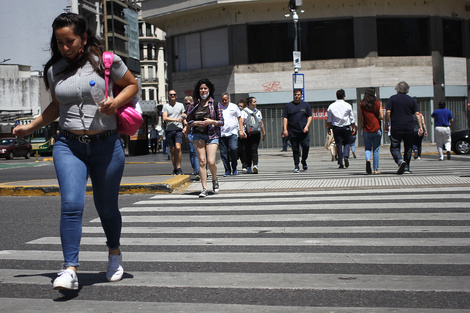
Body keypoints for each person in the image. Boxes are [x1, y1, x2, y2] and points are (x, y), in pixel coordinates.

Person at [12, 13, 139, 290]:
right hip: (69, 146)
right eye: (59, 42)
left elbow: (132, 85)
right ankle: (69, 268)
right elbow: (56, 108)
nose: (64, 47)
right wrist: (30, 126)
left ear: (83, 37)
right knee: (71, 206)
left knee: (106, 208)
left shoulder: (107, 62)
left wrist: (115, 102)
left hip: (106, 144)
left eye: (69, 41)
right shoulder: (54, 69)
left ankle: (114, 253)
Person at [186, 78, 224, 197]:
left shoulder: (216, 104)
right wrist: (196, 123)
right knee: (202, 161)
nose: (203, 91)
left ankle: (214, 179)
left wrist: (211, 121)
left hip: (212, 135)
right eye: (201, 89)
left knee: (211, 162)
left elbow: (222, 122)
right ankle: (204, 188)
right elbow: (188, 120)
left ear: (209, 90)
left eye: (205, 88)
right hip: (198, 135)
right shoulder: (194, 104)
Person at [385, 81, 423, 174]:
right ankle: (406, 167)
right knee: (408, 147)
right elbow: (417, 114)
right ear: (407, 89)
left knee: (394, 147)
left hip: (396, 127)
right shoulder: (411, 100)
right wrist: (420, 127)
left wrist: (386, 125)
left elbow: (388, 112)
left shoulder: (392, 99)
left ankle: (399, 161)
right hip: (409, 127)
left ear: (397, 89)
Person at [282, 88, 313, 173]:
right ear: (293, 95)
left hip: (303, 131)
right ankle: (296, 165)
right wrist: (285, 129)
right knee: (295, 150)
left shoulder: (305, 105)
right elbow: (285, 118)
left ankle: (304, 160)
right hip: (293, 131)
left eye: (298, 95)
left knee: (306, 147)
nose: (297, 96)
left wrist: (307, 126)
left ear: (301, 95)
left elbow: (310, 116)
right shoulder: (289, 106)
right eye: (295, 95)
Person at [326, 89, 356, 169]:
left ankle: (340, 162)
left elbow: (329, 119)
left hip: (336, 127)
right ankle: (346, 156)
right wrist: (353, 127)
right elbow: (352, 118)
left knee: (338, 144)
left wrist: (328, 128)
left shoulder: (331, 106)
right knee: (347, 143)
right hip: (346, 127)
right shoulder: (348, 105)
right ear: (343, 96)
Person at [358, 87, 383, 175]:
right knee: (376, 149)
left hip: (366, 129)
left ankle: (368, 159)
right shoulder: (378, 103)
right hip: (376, 128)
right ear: (374, 94)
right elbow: (382, 116)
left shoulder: (362, 104)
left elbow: (360, 117)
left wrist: (360, 126)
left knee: (367, 148)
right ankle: (376, 169)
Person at [220, 93, 245, 176]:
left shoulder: (234, 106)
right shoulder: (218, 107)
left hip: (232, 132)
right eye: (223, 100)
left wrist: (241, 130)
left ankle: (234, 167)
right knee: (224, 153)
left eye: (226, 100)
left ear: (229, 99)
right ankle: (227, 170)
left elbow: (239, 118)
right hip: (222, 133)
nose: (224, 101)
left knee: (233, 149)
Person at [162, 90, 186, 175]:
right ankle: (175, 168)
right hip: (169, 130)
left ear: (176, 96)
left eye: (174, 94)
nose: (172, 96)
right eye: (171, 94)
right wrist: (176, 119)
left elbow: (183, 115)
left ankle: (179, 167)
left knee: (178, 147)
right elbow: (165, 118)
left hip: (178, 129)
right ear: (168, 96)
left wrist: (185, 121)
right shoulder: (165, 106)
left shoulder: (180, 105)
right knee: (172, 150)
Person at [241, 96, 266, 174]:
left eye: (256, 102)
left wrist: (264, 132)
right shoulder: (244, 112)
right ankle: (248, 167)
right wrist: (242, 131)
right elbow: (241, 122)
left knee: (254, 149)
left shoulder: (258, 112)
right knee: (247, 150)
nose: (256, 103)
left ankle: (255, 165)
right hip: (247, 133)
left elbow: (261, 123)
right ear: (249, 103)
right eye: (254, 102)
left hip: (256, 133)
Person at [183, 96, 200, 180]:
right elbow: (185, 123)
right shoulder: (185, 112)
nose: (188, 105)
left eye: (189, 103)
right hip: (189, 132)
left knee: (198, 152)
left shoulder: (195, 110)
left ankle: (199, 170)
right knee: (192, 151)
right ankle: (195, 168)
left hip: (195, 131)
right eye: (186, 103)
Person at [237, 99, 248, 171]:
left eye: (241, 106)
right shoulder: (236, 113)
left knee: (244, 149)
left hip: (243, 132)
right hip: (236, 133)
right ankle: (243, 163)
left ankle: (245, 164)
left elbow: (243, 121)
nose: (239, 107)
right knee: (239, 150)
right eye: (238, 106)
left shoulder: (244, 113)